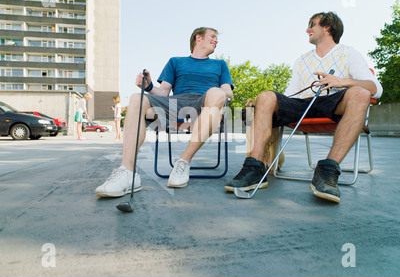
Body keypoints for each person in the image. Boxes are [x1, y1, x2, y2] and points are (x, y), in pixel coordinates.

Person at [225, 12, 383, 204]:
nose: (307, 29)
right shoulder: (302, 60)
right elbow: (291, 94)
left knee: (361, 93)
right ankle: (254, 168)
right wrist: (265, 104)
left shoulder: (348, 52)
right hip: (302, 104)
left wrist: (340, 81)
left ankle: (327, 172)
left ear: (328, 27)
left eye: (312, 24)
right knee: (266, 96)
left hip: (334, 102)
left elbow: (376, 89)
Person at [95, 27, 234, 198]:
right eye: (212, 36)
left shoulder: (220, 64)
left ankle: (184, 161)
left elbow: (228, 93)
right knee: (136, 98)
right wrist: (148, 86)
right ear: (198, 38)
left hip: (205, 104)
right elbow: (163, 93)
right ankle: (127, 172)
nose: (216, 40)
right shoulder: (175, 62)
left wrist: (216, 93)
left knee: (218, 92)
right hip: (176, 106)